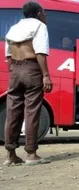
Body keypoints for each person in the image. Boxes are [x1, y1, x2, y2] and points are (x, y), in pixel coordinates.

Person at [4, 1, 53, 166]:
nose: (45, 15)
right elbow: (40, 52)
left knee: (12, 112)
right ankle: (31, 154)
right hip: (32, 69)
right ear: (39, 12)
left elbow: (8, 57)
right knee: (31, 112)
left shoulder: (13, 28)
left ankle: (11, 155)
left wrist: (14, 72)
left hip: (14, 71)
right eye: (44, 12)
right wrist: (45, 75)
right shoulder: (39, 26)